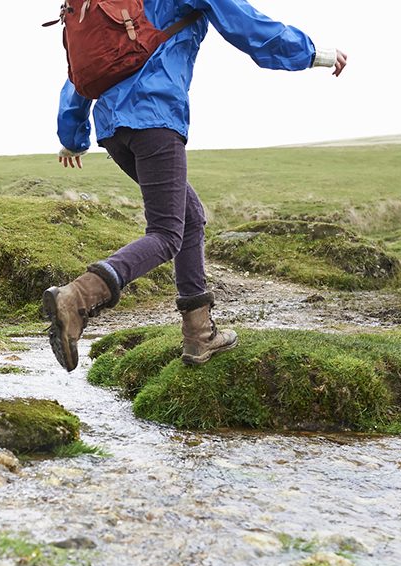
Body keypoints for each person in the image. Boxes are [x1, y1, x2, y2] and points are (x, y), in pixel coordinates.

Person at [43, 0, 345, 371]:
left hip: (114, 130)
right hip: (156, 117)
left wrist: (72, 134)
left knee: (191, 216)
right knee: (167, 233)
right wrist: (314, 54)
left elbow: (83, 69)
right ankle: (78, 297)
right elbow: (249, 27)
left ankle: (199, 335)